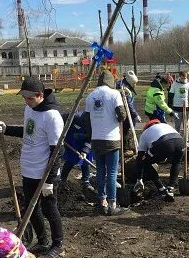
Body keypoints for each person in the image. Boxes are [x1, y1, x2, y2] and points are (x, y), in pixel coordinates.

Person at [0, 77, 65, 258]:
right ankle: (42, 241)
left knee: (50, 209)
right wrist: (7, 129)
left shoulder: (52, 116)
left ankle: (58, 244)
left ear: (40, 95)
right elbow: (28, 132)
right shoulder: (29, 109)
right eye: (24, 98)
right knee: (31, 208)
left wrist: (49, 181)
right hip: (29, 169)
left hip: (45, 173)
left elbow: (57, 150)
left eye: (29, 98)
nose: (26, 101)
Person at [83, 70, 128, 216]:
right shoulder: (114, 94)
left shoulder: (90, 96)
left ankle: (101, 202)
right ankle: (112, 204)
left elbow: (86, 120)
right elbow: (122, 116)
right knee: (112, 172)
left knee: (100, 171)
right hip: (111, 139)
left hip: (96, 140)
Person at [133, 120, 184, 200]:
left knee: (145, 162)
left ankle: (161, 189)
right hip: (180, 141)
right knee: (176, 162)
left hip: (163, 143)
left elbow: (140, 157)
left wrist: (139, 178)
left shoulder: (145, 133)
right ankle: (171, 187)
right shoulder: (165, 125)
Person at [60, 111, 93, 192]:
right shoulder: (73, 116)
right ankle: (62, 179)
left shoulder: (94, 126)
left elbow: (90, 140)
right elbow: (59, 121)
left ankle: (86, 181)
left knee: (86, 161)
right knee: (70, 160)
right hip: (71, 141)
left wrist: (85, 151)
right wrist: (60, 135)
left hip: (84, 141)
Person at [116, 70, 141, 153]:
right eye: (134, 83)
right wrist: (135, 115)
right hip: (124, 112)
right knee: (126, 130)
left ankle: (125, 147)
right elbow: (129, 105)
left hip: (122, 111)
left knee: (125, 130)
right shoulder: (125, 90)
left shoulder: (123, 85)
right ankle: (125, 149)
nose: (135, 85)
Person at [168, 70, 189, 136]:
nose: (183, 79)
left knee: (186, 125)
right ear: (179, 77)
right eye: (182, 78)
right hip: (176, 107)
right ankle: (177, 138)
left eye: (185, 78)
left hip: (186, 108)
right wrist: (170, 107)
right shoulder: (174, 84)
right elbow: (171, 96)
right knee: (177, 125)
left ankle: (186, 139)